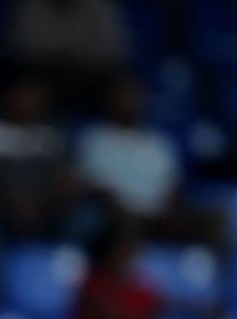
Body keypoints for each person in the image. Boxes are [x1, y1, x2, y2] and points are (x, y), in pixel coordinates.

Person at [76, 74, 224, 248]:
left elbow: (173, 187)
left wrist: (170, 209)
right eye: (124, 96)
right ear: (110, 100)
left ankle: (203, 272)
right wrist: (123, 209)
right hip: (117, 215)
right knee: (119, 221)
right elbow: (92, 187)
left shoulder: (159, 143)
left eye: (135, 96)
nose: (130, 102)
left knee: (215, 218)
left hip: (158, 216)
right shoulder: (94, 139)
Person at [0, 78, 76, 291]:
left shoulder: (50, 137)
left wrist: (39, 206)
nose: (25, 106)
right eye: (19, 100)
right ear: (7, 101)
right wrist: (8, 205)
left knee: (83, 218)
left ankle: (66, 288)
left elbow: (66, 183)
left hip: (45, 212)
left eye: (31, 101)